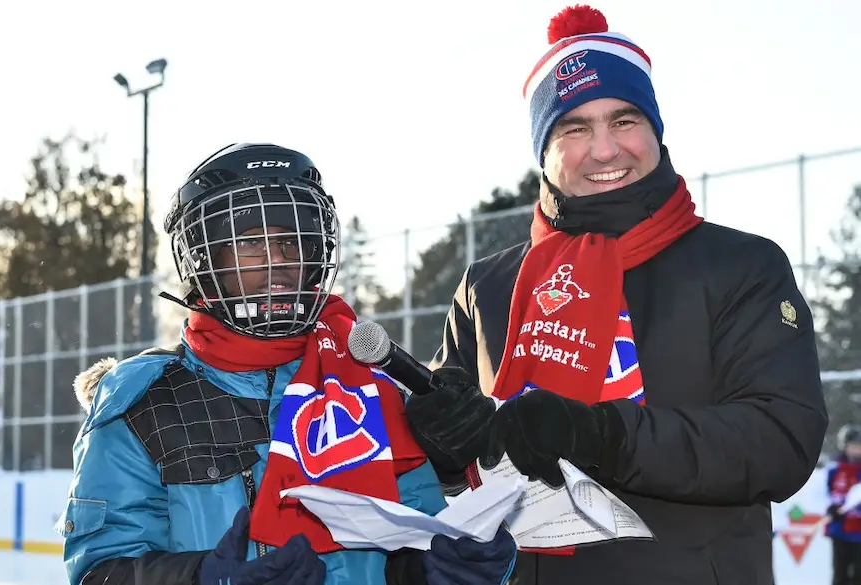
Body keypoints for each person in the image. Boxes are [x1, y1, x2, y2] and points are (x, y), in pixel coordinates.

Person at [403, 6, 828, 585]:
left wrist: (602, 435)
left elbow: (780, 440)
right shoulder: (488, 285)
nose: (605, 150)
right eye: (574, 129)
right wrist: (443, 451)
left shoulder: (741, 265)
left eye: (624, 120)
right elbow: (443, 478)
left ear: (655, 130)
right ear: (544, 152)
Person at [58, 143, 517, 585]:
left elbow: (411, 542)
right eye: (250, 243)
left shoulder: (370, 389)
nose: (278, 261)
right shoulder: (145, 404)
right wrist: (204, 577)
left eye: (292, 243)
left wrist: (438, 571)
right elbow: (101, 570)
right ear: (202, 258)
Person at [826, 424, 861, 585]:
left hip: (859, 532)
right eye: (853, 446)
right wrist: (831, 508)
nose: (857, 450)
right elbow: (825, 496)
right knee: (840, 575)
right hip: (840, 530)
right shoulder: (834, 470)